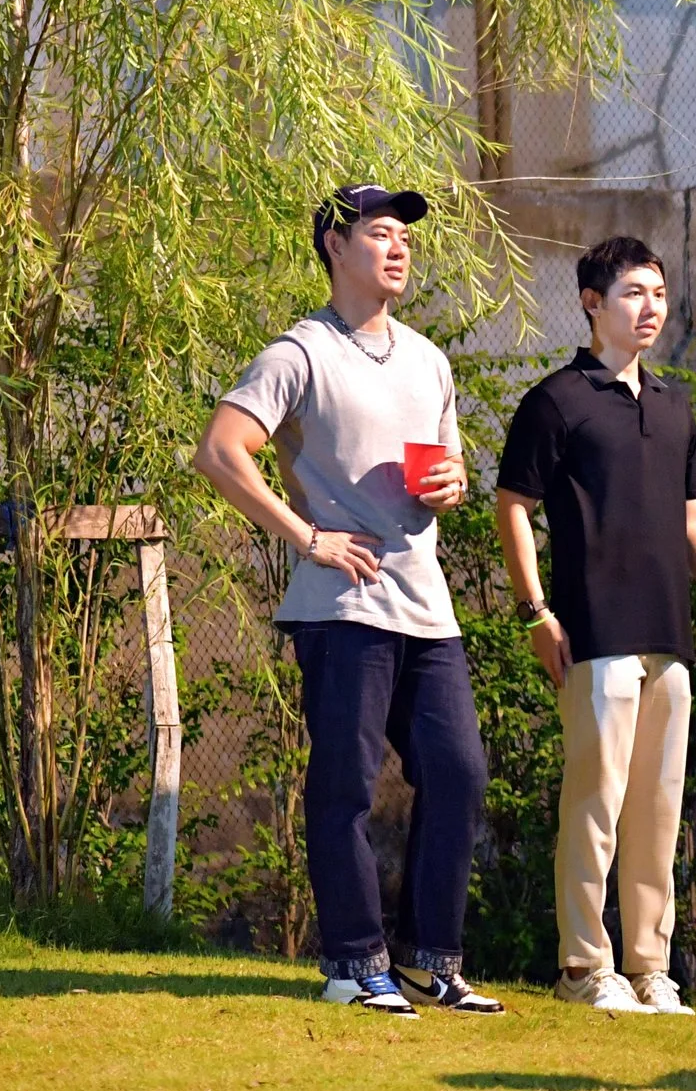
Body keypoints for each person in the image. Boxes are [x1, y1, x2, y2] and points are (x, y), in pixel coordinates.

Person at [193, 183, 502, 1015]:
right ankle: (352, 963)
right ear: (335, 245)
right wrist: (307, 536)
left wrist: (453, 485)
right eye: (380, 233)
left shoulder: (429, 359)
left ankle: (428, 959)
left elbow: (450, 477)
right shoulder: (299, 353)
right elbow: (221, 451)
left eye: (405, 236)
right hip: (343, 605)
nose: (399, 248)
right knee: (345, 786)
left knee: (459, 774)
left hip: (425, 605)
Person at [495, 236, 696, 1016]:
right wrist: (535, 611)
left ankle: (650, 966)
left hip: (669, 637)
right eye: (633, 293)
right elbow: (512, 504)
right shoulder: (557, 400)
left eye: (659, 294)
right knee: (596, 802)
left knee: (658, 809)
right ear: (591, 302)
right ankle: (584, 965)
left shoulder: (675, 406)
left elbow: (695, 517)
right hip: (593, 633)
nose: (651, 308)